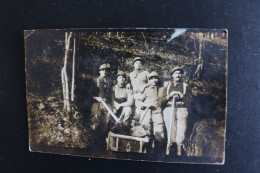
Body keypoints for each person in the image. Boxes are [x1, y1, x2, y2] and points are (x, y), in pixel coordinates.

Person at [163, 66, 190, 156]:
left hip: (181, 109)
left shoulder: (185, 86)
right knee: (170, 131)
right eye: (175, 73)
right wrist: (169, 95)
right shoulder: (167, 86)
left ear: (182, 75)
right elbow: (161, 101)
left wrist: (181, 95)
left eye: (179, 73)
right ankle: (169, 152)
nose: (177, 75)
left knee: (181, 132)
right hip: (169, 109)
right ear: (172, 75)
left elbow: (190, 101)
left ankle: (179, 153)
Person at [136, 71, 166, 151]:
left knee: (159, 132)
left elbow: (164, 100)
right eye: (152, 78)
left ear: (158, 79)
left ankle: (157, 151)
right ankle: (145, 150)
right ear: (149, 80)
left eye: (156, 78)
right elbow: (138, 101)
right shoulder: (146, 89)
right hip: (147, 112)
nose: (154, 80)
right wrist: (142, 105)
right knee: (145, 130)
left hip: (157, 112)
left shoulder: (163, 89)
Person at [89, 63, 114, 146]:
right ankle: (93, 142)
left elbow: (111, 94)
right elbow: (90, 94)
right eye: (102, 70)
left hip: (107, 104)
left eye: (106, 70)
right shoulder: (96, 80)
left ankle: (103, 142)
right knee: (95, 120)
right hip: (97, 103)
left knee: (106, 122)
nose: (104, 72)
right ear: (99, 71)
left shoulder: (110, 82)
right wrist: (96, 98)